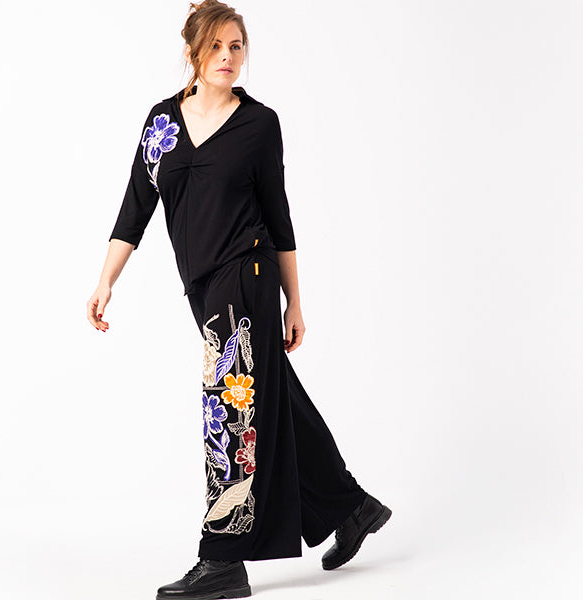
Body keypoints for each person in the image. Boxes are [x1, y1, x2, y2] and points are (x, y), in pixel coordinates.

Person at [85, 2, 392, 597]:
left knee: (227, 404)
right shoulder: (161, 123)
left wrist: (294, 302)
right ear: (193, 53)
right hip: (202, 285)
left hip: (246, 272)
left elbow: (279, 217)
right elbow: (135, 206)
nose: (229, 57)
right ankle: (352, 506)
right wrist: (106, 281)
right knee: (268, 394)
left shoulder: (258, 124)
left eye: (237, 46)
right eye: (217, 46)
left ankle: (222, 559)